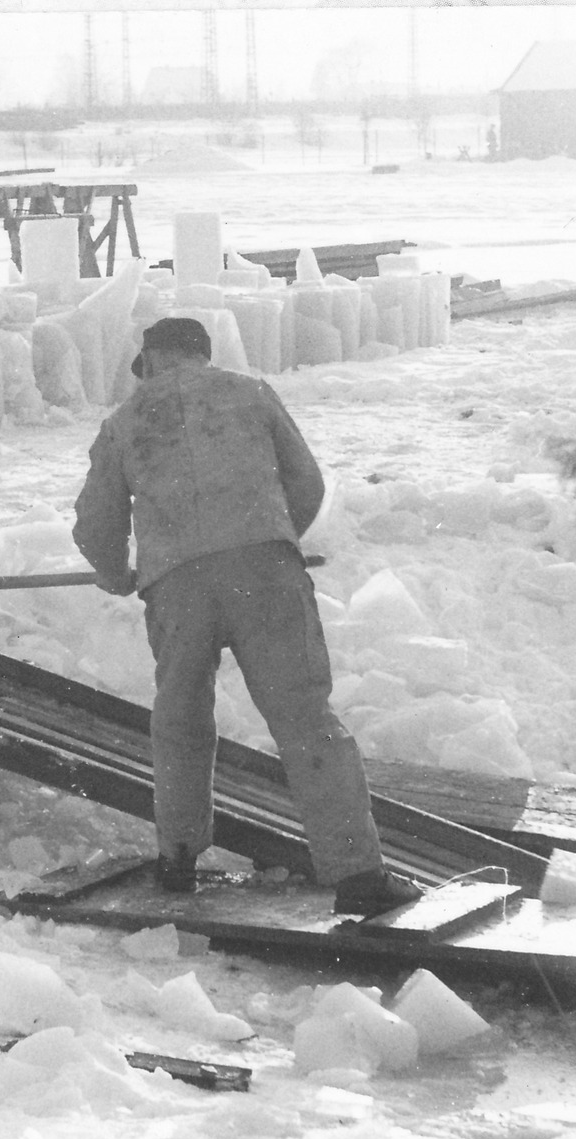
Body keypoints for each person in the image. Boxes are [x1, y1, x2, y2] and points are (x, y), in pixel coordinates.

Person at [72, 317, 424, 917]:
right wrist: (274, 532)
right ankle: (357, 873)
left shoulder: (124, 422)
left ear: (152, 359)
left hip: (178, 586)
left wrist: (115, 571)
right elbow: (306, 484)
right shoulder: (251, 393)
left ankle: (178, 859)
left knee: (180, 721)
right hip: (266, 576)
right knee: (307, 721)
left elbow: (96, 522)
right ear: (202, 356)